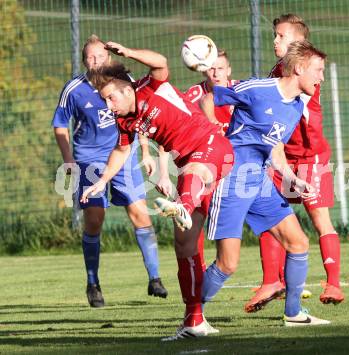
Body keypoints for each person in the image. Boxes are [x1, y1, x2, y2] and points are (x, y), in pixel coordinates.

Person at [79, 41, 234, 340]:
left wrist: (130, 52)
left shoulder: (150, 86)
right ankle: (194, 321)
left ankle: (183, 206)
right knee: (185, 246)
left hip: (212, 147)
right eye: (105, 101)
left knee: (192, 173)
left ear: (126, 89)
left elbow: (161, 61)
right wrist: (100, 181)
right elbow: (121, 152)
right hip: (189, 163)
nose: (109, 106)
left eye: (111, 98)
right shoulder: (124, 119)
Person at [200, 40, 330, 327]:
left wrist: (292, 178)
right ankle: (192, 317)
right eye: (318, 70)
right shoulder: (257, 89)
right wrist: (215, 134)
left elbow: (275, 147)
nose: (321, 77)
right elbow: (209, 98)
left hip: (258, 179)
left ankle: (293, 313)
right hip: (231, 177)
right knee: (228, 264)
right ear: (299, 68)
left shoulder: (296, 106)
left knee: (297, 243)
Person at [52, 35, 168, 308]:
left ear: (109, 58)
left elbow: (136, 115)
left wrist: (146, 151)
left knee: (140, 213)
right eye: (91, 58)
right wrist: (68, 160)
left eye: (101, 57)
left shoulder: (122, 79)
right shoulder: (74, 89)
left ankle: (155, 278)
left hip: (124, 154)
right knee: (95, 219)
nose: (96, 62)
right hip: (89, 160)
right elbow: (60, 126)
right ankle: (93, 283)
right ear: (84, 61)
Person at [245, 13, 344, 313]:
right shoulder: (279, 69)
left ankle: (334, 283)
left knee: (319, 219)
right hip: (283, 158)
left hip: (309, 157)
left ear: (298, 44)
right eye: (275, 35)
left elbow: (289, 109)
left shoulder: (306, 71)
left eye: (281, 36)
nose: (275, 40)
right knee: (269, 215)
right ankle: (272, 281)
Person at [156, 49, 238, 272]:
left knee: (268, 222)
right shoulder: (191, 96)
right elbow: (167, 133)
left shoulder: (241, 92)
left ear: (229, 70)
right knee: (186, 236)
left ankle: (275, 281)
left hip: (235, 171)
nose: (216, 73)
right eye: (211, 68)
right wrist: (163, 174)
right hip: (196, 169)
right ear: (202, 69)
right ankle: (196, 288)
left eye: (220, 68)